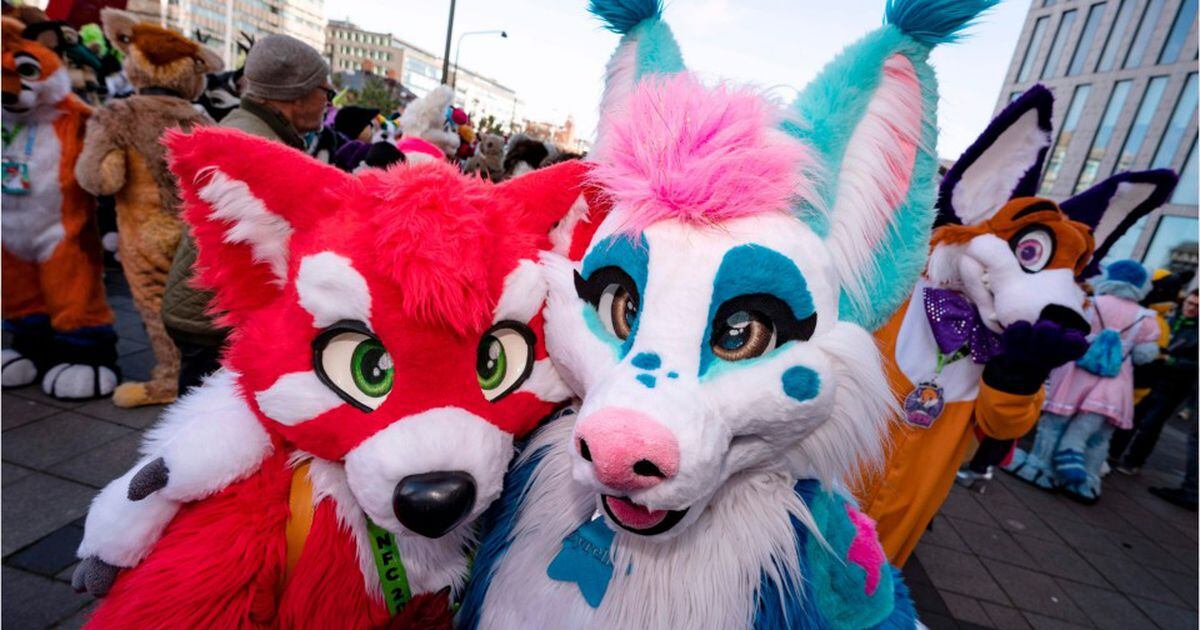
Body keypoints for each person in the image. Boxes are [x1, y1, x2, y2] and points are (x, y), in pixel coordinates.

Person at [161, 33, 331, 394]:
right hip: (214, 320)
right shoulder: (256, 146)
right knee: (211, 432)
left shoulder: (250, 129)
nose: (327, 102)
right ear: (295, 94)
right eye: (324, 91)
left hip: (206, 307)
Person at [1110, 290, 1199, 474]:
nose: (1191, 308)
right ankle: (1114, 454)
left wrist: (1172, 361)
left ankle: (1133, 462)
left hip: (1174, 385)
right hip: (1151, 377)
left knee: (1151, 425)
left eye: (1197, 306)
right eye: (1189, 303)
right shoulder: (1170, 320)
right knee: (1132, 416)